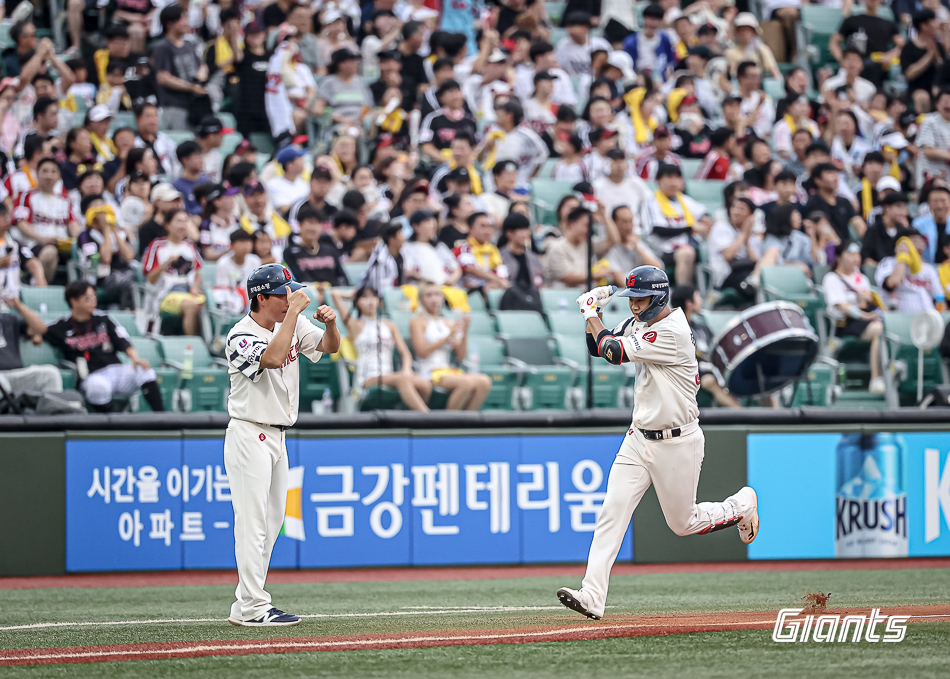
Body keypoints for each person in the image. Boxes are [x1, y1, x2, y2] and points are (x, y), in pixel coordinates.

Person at [557, 266, 758, 620]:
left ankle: (741, 505)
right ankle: (592, 595)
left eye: (642, 299)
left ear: (660, 296)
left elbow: (612, 352)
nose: (635, 306)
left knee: (683, 523)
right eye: (632, 299)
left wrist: (591, 312)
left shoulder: (673, 331)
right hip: (638, 437)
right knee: (612, 511)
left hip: (677, 440)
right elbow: (596, 345)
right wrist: (596, 315)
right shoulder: (641, 324)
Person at [224, 263, 339, 626]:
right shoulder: (239, 336)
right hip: (248, 432)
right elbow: (272, 358)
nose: (290, 297)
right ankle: (256, 608)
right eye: (283, 294)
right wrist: (293, 315)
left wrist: (331, 323)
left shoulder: (288, 322)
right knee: (253, 523)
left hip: (277, 435)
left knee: (272, 523)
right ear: (261, 298)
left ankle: (244, 604)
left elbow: (328, 347)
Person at [44, 281, 164, 412]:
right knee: (98, 388)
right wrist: (37, 336)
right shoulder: (61, 326)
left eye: (94, 297)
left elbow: (123, 342)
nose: (93, 301)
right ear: (74, 301)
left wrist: (135, 359)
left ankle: (161, 417)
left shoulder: (104, 319)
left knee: (144, 371)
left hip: (115, 370)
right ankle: (110, 425)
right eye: (87, 299)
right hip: (91, 375)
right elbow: (39, 331)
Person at [332, 286, 431, 410]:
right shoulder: (355, 325)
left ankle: (413, 417)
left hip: (390, 375)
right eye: (365, 297)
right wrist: (353, 295)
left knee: (425, 385)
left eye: (374, 297)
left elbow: (405, 353)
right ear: (357, 301)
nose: (370, 301)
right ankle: (427, 418)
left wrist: (406, 370)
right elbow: (334, 294)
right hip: (367, 377)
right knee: (403, 380)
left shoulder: (389, 325)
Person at [409, 282, 491, 410]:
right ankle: (449, 421)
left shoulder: (447, 322)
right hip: (428, 372)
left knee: (484, 381)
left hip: (447, 370)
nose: (434, 299)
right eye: (428, 295)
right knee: (465, 383)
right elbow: (422, 352)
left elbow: (460, 356)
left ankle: (467, 422)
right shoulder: (417, 322)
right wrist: (447, 337)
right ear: (421, 299)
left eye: (437, 294)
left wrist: (464, 332)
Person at [822, 241, 886, 394]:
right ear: (838, 257)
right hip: (844, 324)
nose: (855, 258)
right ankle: (876, 378)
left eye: (857, 254)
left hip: (864, 321)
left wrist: (866, 299)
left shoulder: (861, 278)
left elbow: (865, 304)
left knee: (885, 328)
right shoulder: (831, 278)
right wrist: (868, 316)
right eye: (850, 254)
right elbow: (844, 307)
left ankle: (887, 378)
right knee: (879, 329)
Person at [671, 284, 741, 408]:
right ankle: (744, 416)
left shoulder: (703, 328)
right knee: (709, 381)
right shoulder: (675, 330)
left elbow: (717, 348)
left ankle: (776, 419)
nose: (701, 300)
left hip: (715, 369)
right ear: (689, 303)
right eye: (698, 297)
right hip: (695, 372)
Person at [14, 157, 81, 284]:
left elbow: (73, 225)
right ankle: (40, 289)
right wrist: (42, 239)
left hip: (62, 246)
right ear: (37, 174)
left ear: (59, 176)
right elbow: (21, 224)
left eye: (53, 172)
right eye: (44, 171)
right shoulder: (27, 196)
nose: (49, 176)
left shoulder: (65, 200)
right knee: (50, 252)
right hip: (35, 244)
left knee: (84, 253)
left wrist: (77, 238)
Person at [643, 163, 711, 285]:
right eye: (669, 177)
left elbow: (704, 213)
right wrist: (690, 228)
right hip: (662, 249)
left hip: (687, 243)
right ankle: (683, 295)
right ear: (658, 181)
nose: (674, 182)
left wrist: (706, 220)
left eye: (677, 178)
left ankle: (710, 291)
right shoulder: (651, 201)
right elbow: (658, 230)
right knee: (687, 253)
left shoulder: (682, 199)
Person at [142, 208, 206, 336]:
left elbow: (197, 273)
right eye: (178, 221)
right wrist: (166, 263)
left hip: (188, 291)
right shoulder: (158, 245)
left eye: (185, 221)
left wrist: (194, 286)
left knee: (208, 304)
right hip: (165, 293)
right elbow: (150, 279)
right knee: (191, 306)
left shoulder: (190, 246)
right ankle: (192, 346)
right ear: (168, 225)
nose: (183, 225)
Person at [152, 4, 206, 131]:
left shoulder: (189, 44)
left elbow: (202, 66)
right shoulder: (162, 47)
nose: (187, 23)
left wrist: (201, 76)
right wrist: (192, 87)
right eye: (183, 19)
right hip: (174, 105)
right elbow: (163, 77)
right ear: (170, 24)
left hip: (194, 105)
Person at [76, 197, 136, 310]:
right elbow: (105, 258)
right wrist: (105, 229)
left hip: (124, 272)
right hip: (100, 277)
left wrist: (112, 229)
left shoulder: (119, 233)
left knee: (136, 279)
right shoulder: (85, 235)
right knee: (128, 283)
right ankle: (128, 313)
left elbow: (129, 256)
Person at [0, 292, 62, 396]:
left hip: (17, 373)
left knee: (50, 374)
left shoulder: (8, 318)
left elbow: (40, 328)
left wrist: (18, 305)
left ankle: (53, 410)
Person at [875, 229, 944, 312]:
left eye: (921, 241)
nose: (919, 244)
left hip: (927, 319)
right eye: (914, 241)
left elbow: (939, 297)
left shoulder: (929, 269)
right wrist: (903, 257)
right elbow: (892, 283)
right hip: (898, 317)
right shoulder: (889, 262)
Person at [283, 205, 350, 286]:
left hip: (334, 293)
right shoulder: (290, 252)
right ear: (300, 225)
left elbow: (342, 276)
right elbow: (300, 278)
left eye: (317, 223)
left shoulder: (330, 249)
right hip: (308, 294)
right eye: (310, 222)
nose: (313, 228)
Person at [803, 163, 866, 241]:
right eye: (830, 173)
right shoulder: (812, 203)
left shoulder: (844, 201)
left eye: (835, 173)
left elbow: (856, 221)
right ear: (818, 180)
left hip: (847, 245)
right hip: (825, 246)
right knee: (825, 228)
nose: (835, 177)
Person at [454, 211, 510, 292]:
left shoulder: (493, 251)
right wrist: (497, 280)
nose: (487, 231)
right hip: (469, 292)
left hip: (490, 288)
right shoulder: (463, 248)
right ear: (470, 228)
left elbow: (500, 273)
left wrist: (500, 281)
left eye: (490, 227)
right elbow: (470, 269)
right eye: (483, 226)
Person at [606, 205, 662, 285]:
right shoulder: (608, 247)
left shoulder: (636, 243)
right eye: (625, 222)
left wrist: (637, 247)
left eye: (631, 221)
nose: (629, 226)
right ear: (614, 223)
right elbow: (620, 280)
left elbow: (658, 269)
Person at [213, 229, 262, 315]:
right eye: (241, 242)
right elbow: (223, 289)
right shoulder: (223, 263)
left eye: (248, 241)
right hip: (231, 303)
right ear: (231, 245)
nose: (246, 245)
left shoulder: (255, 260)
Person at [593, 148, 652, 220]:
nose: (619, 165)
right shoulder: (598, 186)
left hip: (633, 227)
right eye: (615, 161)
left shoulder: (636, 184)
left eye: (621, 161)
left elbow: (649, 202)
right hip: (608, 227)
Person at [863, 192, 913, 266]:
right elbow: (866, 257)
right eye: (899, 207)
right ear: (887, 208)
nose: (903, 212)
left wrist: (908, 231)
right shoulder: (874, 230)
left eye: (905, 207)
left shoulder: (905, 230)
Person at [915, 88, 950, 188]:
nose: (948, 104)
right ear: (937, 104)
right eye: (945, 101)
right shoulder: (930, 121)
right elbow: (928, 151)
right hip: (930, 180)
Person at [199, 183, 241, 262]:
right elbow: (207, 254)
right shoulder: (206, 225)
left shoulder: (238, 222)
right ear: (217, 202)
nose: (232, 199)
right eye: (228, 196)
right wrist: (231, 250)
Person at [267, 145, 310, 214]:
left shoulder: (304, 184)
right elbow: (285, 209)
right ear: (289, 165)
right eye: (299, 158)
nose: (303, 161)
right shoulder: (274, 184)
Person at [913, 185, 950, 263]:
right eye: (935, 201)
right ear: (929, 204)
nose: (939, 206)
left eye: (943, 201)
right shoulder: (918, 225)